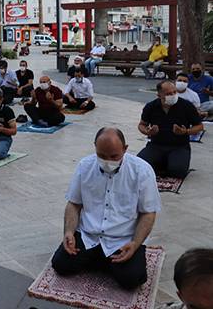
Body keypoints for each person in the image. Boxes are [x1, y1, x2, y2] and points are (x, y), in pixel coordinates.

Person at [50, 128, 161, 290]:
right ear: (95, 147)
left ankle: (101, 260)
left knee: (132, 279)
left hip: (123, 239)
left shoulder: (142, 171)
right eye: (101, 156)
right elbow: (74, 203)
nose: (108, 161)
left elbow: (148, 213)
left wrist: (136, 243)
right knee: (60, 265)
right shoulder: (85, 166)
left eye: (114, 156)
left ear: (125, 149)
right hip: (89, 235)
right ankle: (102, 260)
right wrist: (68, 231)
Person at [137, 80, 203, 179]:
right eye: (168, 94)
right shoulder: (151, 106)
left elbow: (199, 126)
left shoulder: (186, 106)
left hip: (179, 146)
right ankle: (162, 162)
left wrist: (186, 132)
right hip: (156, 145)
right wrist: (147, 131)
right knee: (139, 166)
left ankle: (166, 163)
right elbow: (142, 124)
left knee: (177, 171)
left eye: (174, 92)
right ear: (159, 95)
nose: (172, 95)